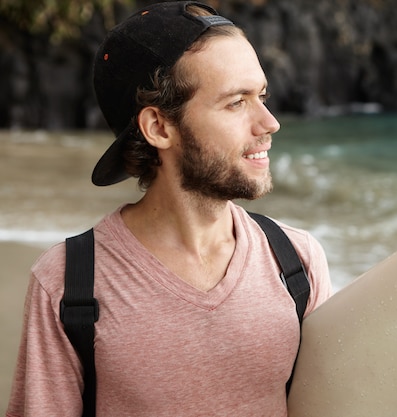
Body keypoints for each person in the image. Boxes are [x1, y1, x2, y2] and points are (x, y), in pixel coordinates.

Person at [5, 2, 332, 416]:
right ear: (159, 127)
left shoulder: (297, 262)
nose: (269, 123)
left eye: (261, 96)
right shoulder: (68, 285)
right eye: (236, 102)